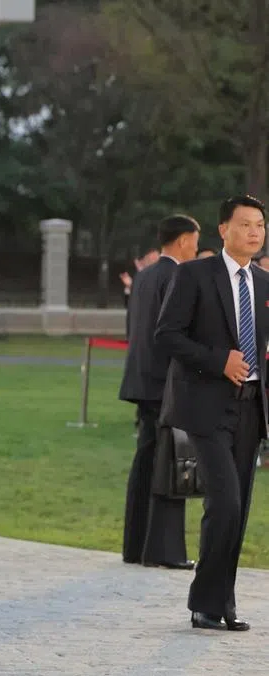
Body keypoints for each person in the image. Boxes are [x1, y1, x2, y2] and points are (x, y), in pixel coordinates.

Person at [155, 194, 269, 632]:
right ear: (224, 230)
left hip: (250, 410)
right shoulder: (194, 275)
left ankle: (223, 601)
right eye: (245, 224)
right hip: (205, 408)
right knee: (225, 502)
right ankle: (204, 601)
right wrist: (218, 359)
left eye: (260, 225)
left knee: (236, 511)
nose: (254, 232)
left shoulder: (263, 282)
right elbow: (167, 336)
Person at [118, 214, 200, 571]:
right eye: (195, 242)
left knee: (146, 459)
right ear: (182, 240)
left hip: (141, 379)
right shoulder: (178, 275)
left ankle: (136, 546)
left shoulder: (145, 276)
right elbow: (178, 335)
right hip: (166, 383)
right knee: (170, 463)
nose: (197, 249)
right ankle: (164, 550)